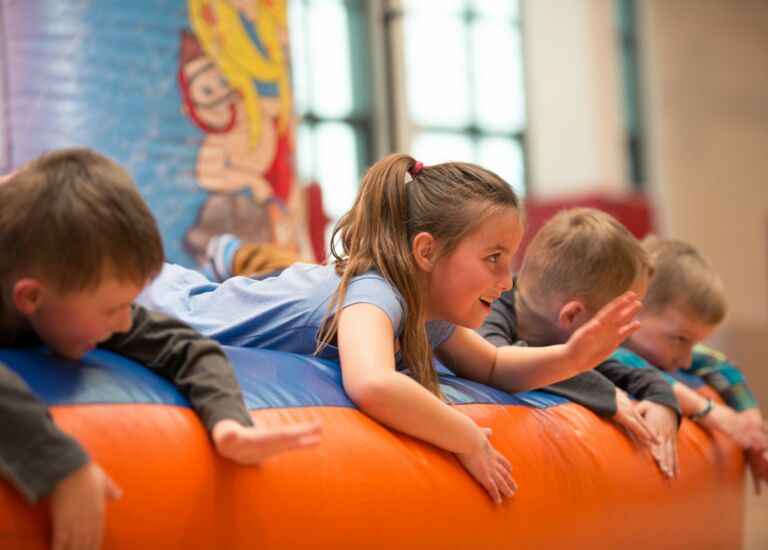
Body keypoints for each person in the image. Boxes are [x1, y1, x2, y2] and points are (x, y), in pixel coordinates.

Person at [138, 153, 643, 503]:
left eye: (510, 260)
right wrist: (466, 437)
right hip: (159, 303)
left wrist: (572, 358)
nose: (506, 280)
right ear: (426, 252)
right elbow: (373, 382)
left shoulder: (426, 310)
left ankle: (228, 253)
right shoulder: (376, 292)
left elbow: (492, 364)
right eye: (493, 258)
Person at [0, 149, 322, 549]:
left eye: (128, 304)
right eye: (111, 310)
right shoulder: (49, 280)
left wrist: (228, 421)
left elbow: (186, 346)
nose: (125, 323)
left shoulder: (73, 291)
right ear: (31, 298)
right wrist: (62, 466)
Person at [478, 208, 681, 477]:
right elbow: (497, 359)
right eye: (619, 323)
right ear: (572, 315)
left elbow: (620, 368)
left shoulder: (560, 333)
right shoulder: (485, 309)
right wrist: (604, 392)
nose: (625, 336)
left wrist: (662, 399)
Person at [616, 236, 768, 493]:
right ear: (630, 310)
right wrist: (705, 409)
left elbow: (719, 364)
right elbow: (621, 360)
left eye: (693, 343)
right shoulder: (600, 345)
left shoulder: (668, 344)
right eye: (679, 339)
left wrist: (752, 426)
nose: (685, 360)